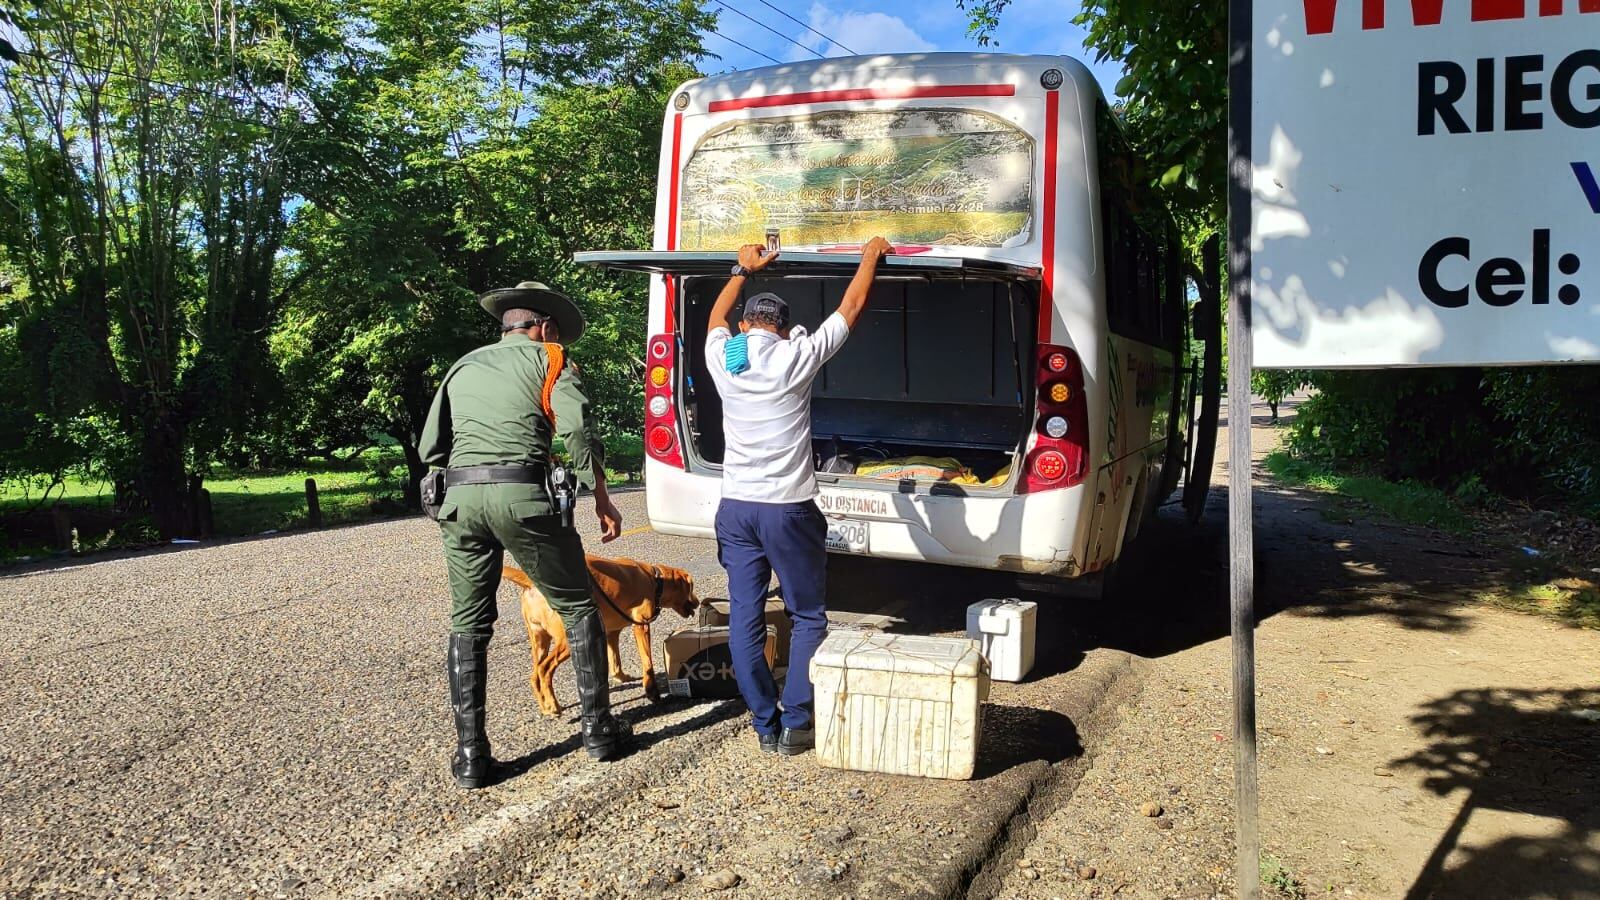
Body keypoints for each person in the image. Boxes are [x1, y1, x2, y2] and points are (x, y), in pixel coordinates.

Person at [419, 280, 628, 789]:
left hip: (460, 500)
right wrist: (598, 492)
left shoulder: (462, 365)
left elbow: (431, 445)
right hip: (523, 496)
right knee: (578, 606)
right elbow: (577, 429)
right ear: (546, 327)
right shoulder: (552, 359)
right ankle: (598, 731)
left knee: (469, 621)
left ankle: (472, 757)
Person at [705, 237, 893, 755]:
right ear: (784, 328)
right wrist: (872, 255)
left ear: (748, 326)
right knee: (806, 615)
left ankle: (764, 726)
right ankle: (798, 723)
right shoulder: (798, 355)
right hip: (788, 507)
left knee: (745, 617)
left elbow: (715, 320)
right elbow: (849, 308)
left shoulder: (727, 359)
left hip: (737, 508)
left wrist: (742, 268)